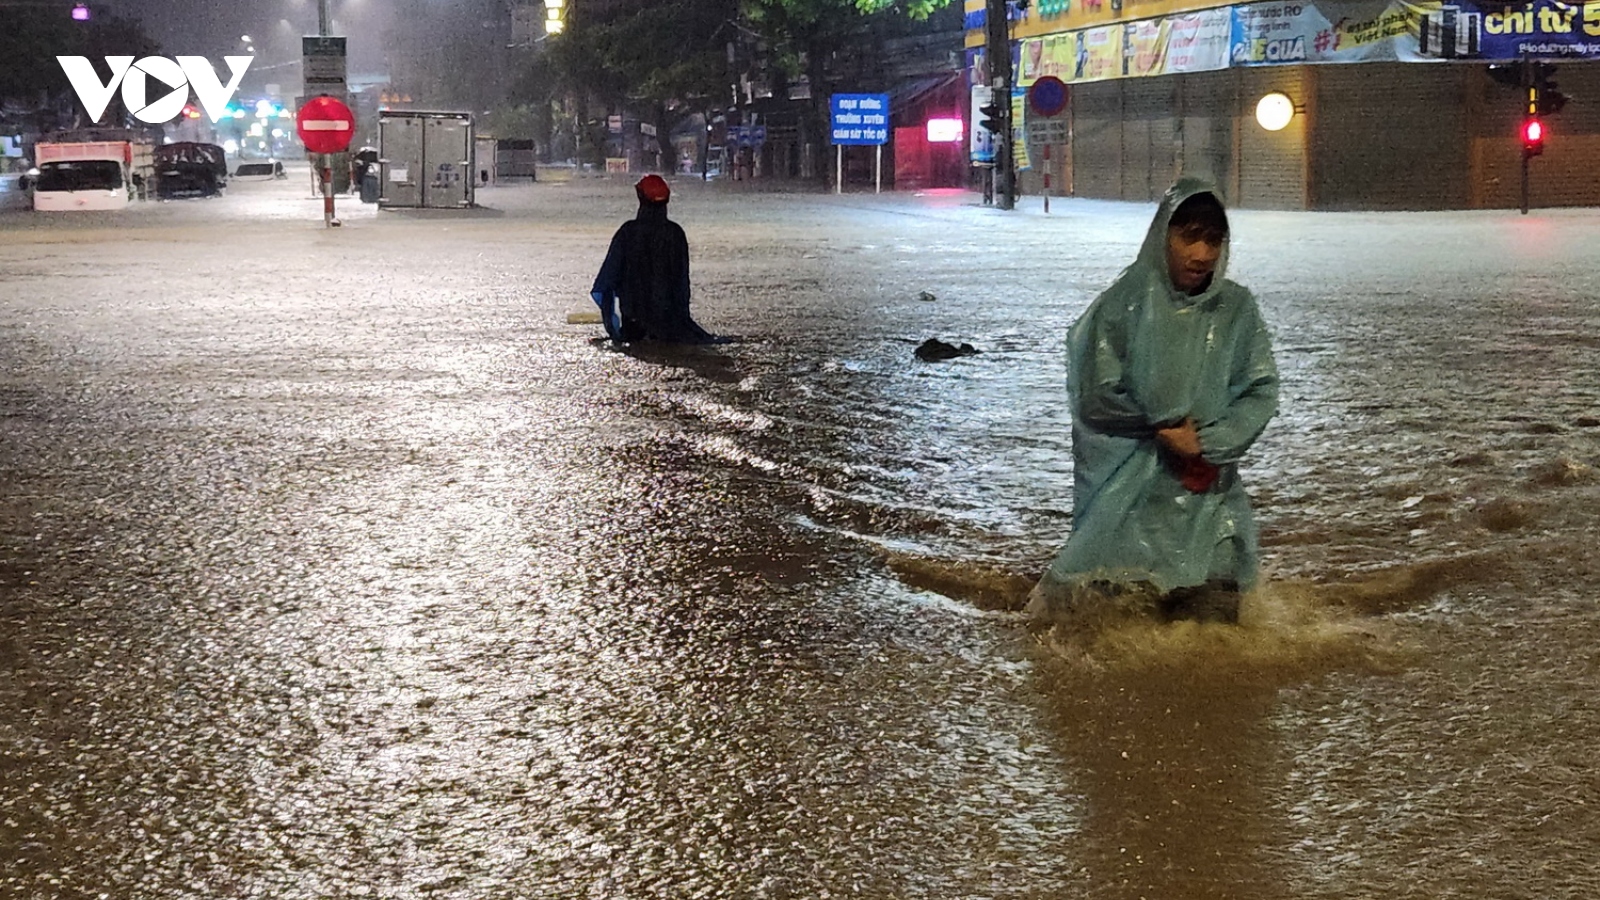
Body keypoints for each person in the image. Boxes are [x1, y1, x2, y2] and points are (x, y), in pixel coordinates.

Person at [1028, 177, 1279, 626]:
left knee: (1216, 648)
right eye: (1189, 237)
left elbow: (1260, 390)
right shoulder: (1120, 308)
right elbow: (1092, 398)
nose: (1202, 255)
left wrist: (1204, 441)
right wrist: (1161, 426)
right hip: (1127, 509)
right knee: (1113, 642)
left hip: (1207, 502)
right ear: (1162, 234)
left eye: (1214, 240)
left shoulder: (1237, 310)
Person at [590, 174, 719, 344]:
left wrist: (613, 327)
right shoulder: (676, 233)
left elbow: (607, 279)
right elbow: (681, 282)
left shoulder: (627, 232)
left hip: (634, 323)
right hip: (672, 323)